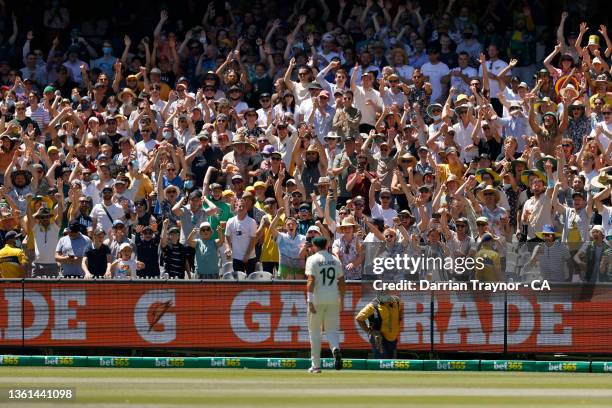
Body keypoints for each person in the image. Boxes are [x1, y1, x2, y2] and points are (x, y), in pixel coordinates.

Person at [305, 236, 345, 373]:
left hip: (317, 298)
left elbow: (310, 280)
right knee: (332, 330)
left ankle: (316, 365)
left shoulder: (312, 259)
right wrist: (342, 300)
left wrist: (309, 300)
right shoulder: (335, 260)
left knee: (315, 332)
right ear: (326, 245)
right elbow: (341, 281)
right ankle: (335, 349)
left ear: (315, 246)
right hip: (333, 297)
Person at [355, 293, 403, 359]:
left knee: (392, 365)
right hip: (379, 338)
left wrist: (399, 317)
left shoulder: (397, 301)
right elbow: (359, 318)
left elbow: (400, 310)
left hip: (392, 338)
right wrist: (370, 331)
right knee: (381, 363)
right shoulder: (373, 306)